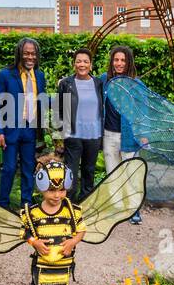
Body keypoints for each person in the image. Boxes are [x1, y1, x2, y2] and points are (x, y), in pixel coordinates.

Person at [20, 158, 86, 285]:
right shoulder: (33, 213)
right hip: (42, 263)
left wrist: (73, 242)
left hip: (63, 263)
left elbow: (81, 230)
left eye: (61, 190)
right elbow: (24, 232)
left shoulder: (72, 211)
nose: (57, 195)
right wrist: (35, 242)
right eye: (52, 190)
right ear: (41, 188)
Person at [0, 37, 47, 210]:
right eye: (26, 54)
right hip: (10, 130)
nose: (30, 57)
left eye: (33, 54)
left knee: (28, 168)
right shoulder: (6, 75)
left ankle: (26, 203)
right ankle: (3, 205)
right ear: (19, 54)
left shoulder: (40, 75)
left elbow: (42, 100)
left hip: (30, 130)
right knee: (8, 169)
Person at [101, 44, 144, 224]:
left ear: (129, 62)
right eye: (116, 60)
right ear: (111, 61)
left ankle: (134, 209)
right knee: (112, 172)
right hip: (109, 134)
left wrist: (142, 133)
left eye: (123, 60)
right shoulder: (103, 80)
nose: (119, 63)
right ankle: (117, 208)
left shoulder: (136, 84)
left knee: (131, 173)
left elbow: (143, 111)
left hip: (130, 135)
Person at [55, 49, 104, 202]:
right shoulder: (66, 84)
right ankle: (68, 203)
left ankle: (85, 202)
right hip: (73, 136)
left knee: (89, 171)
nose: (82, 64)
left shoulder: (98, 83)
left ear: (91, 65)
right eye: (78, 61)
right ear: (74, 64)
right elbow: (58, 109)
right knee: (71, 172)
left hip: (93, 135)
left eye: (85, 61)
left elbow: (102, 107)